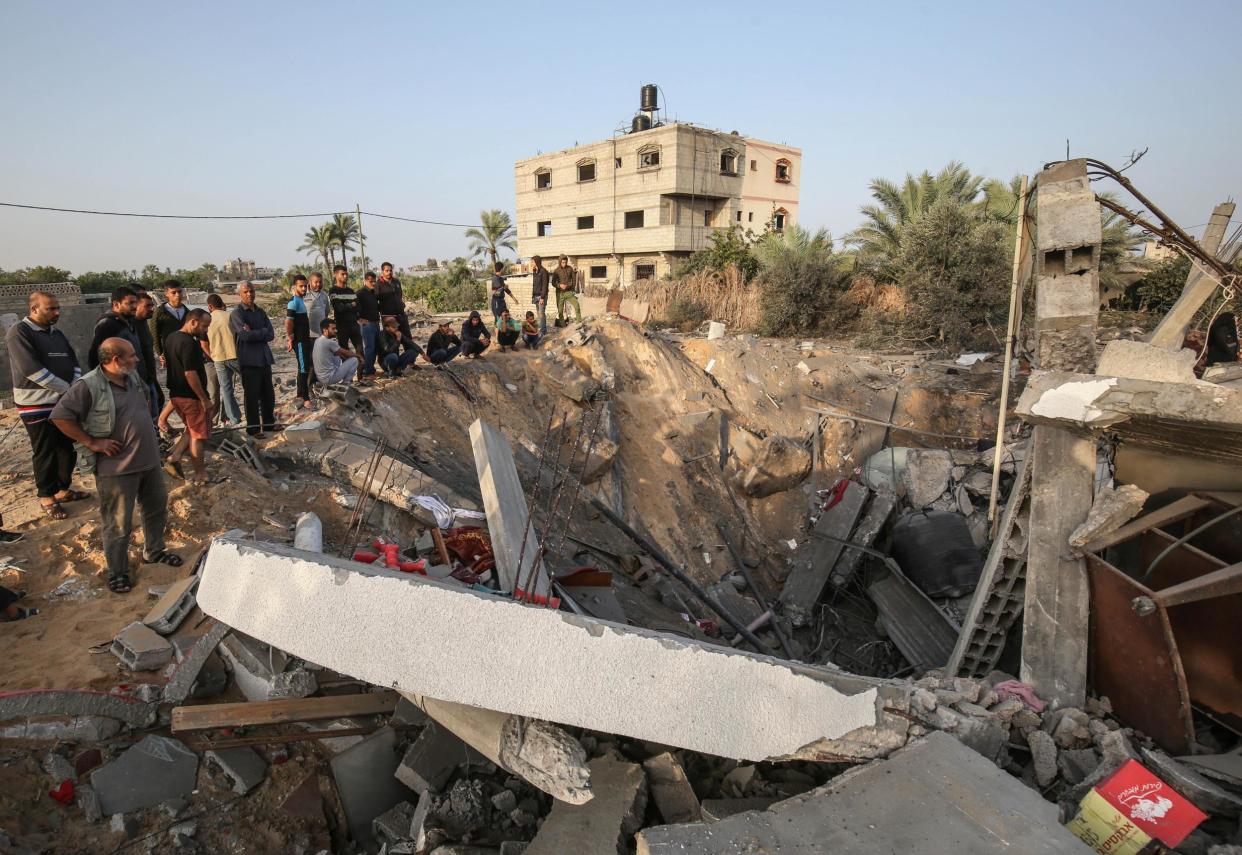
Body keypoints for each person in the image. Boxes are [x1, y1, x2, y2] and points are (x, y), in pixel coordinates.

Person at [51, 337, 181, 595]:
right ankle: (118, 572)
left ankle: (154, 552)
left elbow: (143, 403)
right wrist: (92, 442)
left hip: (148, 461)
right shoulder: (88, 386)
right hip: (117, 469)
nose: (137, 359)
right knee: (118, 523)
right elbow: (60, 416)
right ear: (114, 360)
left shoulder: (131, 377)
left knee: (156, 510)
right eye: (132, 355)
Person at [6, 291, 87, 520]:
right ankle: (46, 496)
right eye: (51, 308)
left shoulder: (57, 334)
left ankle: (61, 489)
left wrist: (73, 383)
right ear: (34, 309)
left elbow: (74, 361)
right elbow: (30, 370)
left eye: (57, 308)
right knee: (46, 451)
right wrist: (68, 389)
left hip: (62, 402)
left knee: (67, 449)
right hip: (36, 404)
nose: (57, 312)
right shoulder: (19, 332)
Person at [157, 309, 213, 484]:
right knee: (197, 435)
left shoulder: (171, 338)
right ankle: (200, 474)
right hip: (190, 396)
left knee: (190, 429)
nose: (206, 330)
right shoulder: (188, 343)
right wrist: (204, 399)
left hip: (176, 395)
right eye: (204, 326)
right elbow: (190, 373)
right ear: (193, 322)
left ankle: (174, 457)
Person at [230, 281, 277, 437]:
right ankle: (253, 429)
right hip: (249, 360)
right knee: (251, 397)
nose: (249, 294)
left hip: (264, 359)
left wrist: (256, 332)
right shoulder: (237, 313)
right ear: (239, 294)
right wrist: (261, 332)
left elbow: (271, 334)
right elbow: (245, 336)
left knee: (268, 395)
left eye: (251, 291)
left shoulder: (260, 312)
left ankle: (269, 425)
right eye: (246, 292)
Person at [206, 294, 242, 426]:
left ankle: (234, 418)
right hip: (234, 355)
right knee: (249, 384)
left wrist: (211, 354)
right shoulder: (229, 316)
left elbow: (204, 342)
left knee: (226, 390)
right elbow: (239, 335)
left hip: (218, 358)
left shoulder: (208, 320)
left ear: (210, 306)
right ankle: (257, 410)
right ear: (222, 304)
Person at [87, 286, 142, 370]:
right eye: (130, 303)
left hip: (134, 377)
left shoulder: (129, 321)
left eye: (135, 303)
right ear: (116, 304)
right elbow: (95, 357)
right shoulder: (107, 324)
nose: (135, 306)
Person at [328, 265, 365, 380]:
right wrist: (351, 305)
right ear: (336, 275)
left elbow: (358, 306)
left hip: (354, 325)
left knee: (360, 351)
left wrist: (348, 306)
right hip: (341, 326)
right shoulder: (333, 290)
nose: (345, 276)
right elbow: (338, 308)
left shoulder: (350, 291)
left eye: (346, 274)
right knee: (344, 353)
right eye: (342, 274)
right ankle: (347, 378)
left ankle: (360, 377)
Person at [132, 290, 164, 424]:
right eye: (148, 306)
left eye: (152, 306)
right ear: (136, 307)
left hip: (149, 376)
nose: (152, 309)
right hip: (139, 378)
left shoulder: (144, 323)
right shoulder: (130, 326)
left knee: (159, 401)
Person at [285, 275, 314, 408]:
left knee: (303, 367)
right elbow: (289, 321)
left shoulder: (300, 300)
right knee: (304, 368)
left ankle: (300, 394)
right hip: (300, 341)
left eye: (305, 286)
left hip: (305, 339)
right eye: (301, 286)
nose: (304, 288)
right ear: (294, 287)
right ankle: (305, 397)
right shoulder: (294, 302)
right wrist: (290, 336)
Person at [150, 279, 188, 370]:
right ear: (167, 294)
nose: (177, 295)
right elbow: (155, 335)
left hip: (186, 350)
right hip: (169, 352)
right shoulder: (160, 312)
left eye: (179, 292)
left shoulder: (187, 312)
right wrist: (160, 353)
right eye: (173, 293)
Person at [313, 319, 361, 386]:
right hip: (329, 378)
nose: (336, 331)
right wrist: (360, 357)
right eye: (333, 329)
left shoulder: (318, 340)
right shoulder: (329, 342)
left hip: (320, 378)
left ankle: (340, 381)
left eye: (336, 328)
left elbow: (340, 353)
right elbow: (347, 353)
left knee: (337, 354)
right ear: (325, 330)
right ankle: (346, 384)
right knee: (354, 360)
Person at [376, 262, 411, 339]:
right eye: (387, 270)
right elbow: (375, 301)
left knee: (408, 340)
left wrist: (401, 305)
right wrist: (383, 311)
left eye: (390, 270)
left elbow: (400, 296)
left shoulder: (396, 282)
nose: (389, 272)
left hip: (401, 315)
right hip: (389, 318)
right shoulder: (378, 284)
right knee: (393, 341)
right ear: (382, 271)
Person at [356, 271, 381, 378]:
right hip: (367, 326)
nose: (373, 283)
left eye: (374, 281)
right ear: (365, 281)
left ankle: (371, 369)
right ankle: (367, 373)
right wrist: (359, 319)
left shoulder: (373, 293)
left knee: (375, 348)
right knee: (369, 348)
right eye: (371, 281)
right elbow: (354, 308)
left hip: (375, 324)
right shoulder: (360, 293)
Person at [551, 255, 581, 325]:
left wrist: (570, 288)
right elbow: (553, 282)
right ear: (560, 262)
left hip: (568, 292)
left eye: (565, 262)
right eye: (562, 262)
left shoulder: (570, 269)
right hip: (560, 293)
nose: (564, 264)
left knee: (576, 305)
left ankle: (579, 321)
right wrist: (559, 285)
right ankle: (562, 324)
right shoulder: (556, 271)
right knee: (560, 310)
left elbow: (574, 280)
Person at [306, 271, 330, 341]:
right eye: (316, 282)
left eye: (320, 282)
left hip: (321, 334)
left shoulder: (324, 295)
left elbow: (326, 312)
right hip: (308, 334)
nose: (318, 284)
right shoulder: (304, 294)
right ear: (310, 282)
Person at [530, 255, 550, 336]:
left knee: (542, 313)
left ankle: (543, 331)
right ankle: (542, 328)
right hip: (536, 296)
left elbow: (545, 285)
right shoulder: (535, 271)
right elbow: (535, 285)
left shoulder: (544, 271)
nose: (531, 263)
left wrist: (542, 297)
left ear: (536, 262)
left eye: (532, 261)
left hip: (542, 296)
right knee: (538, 313)